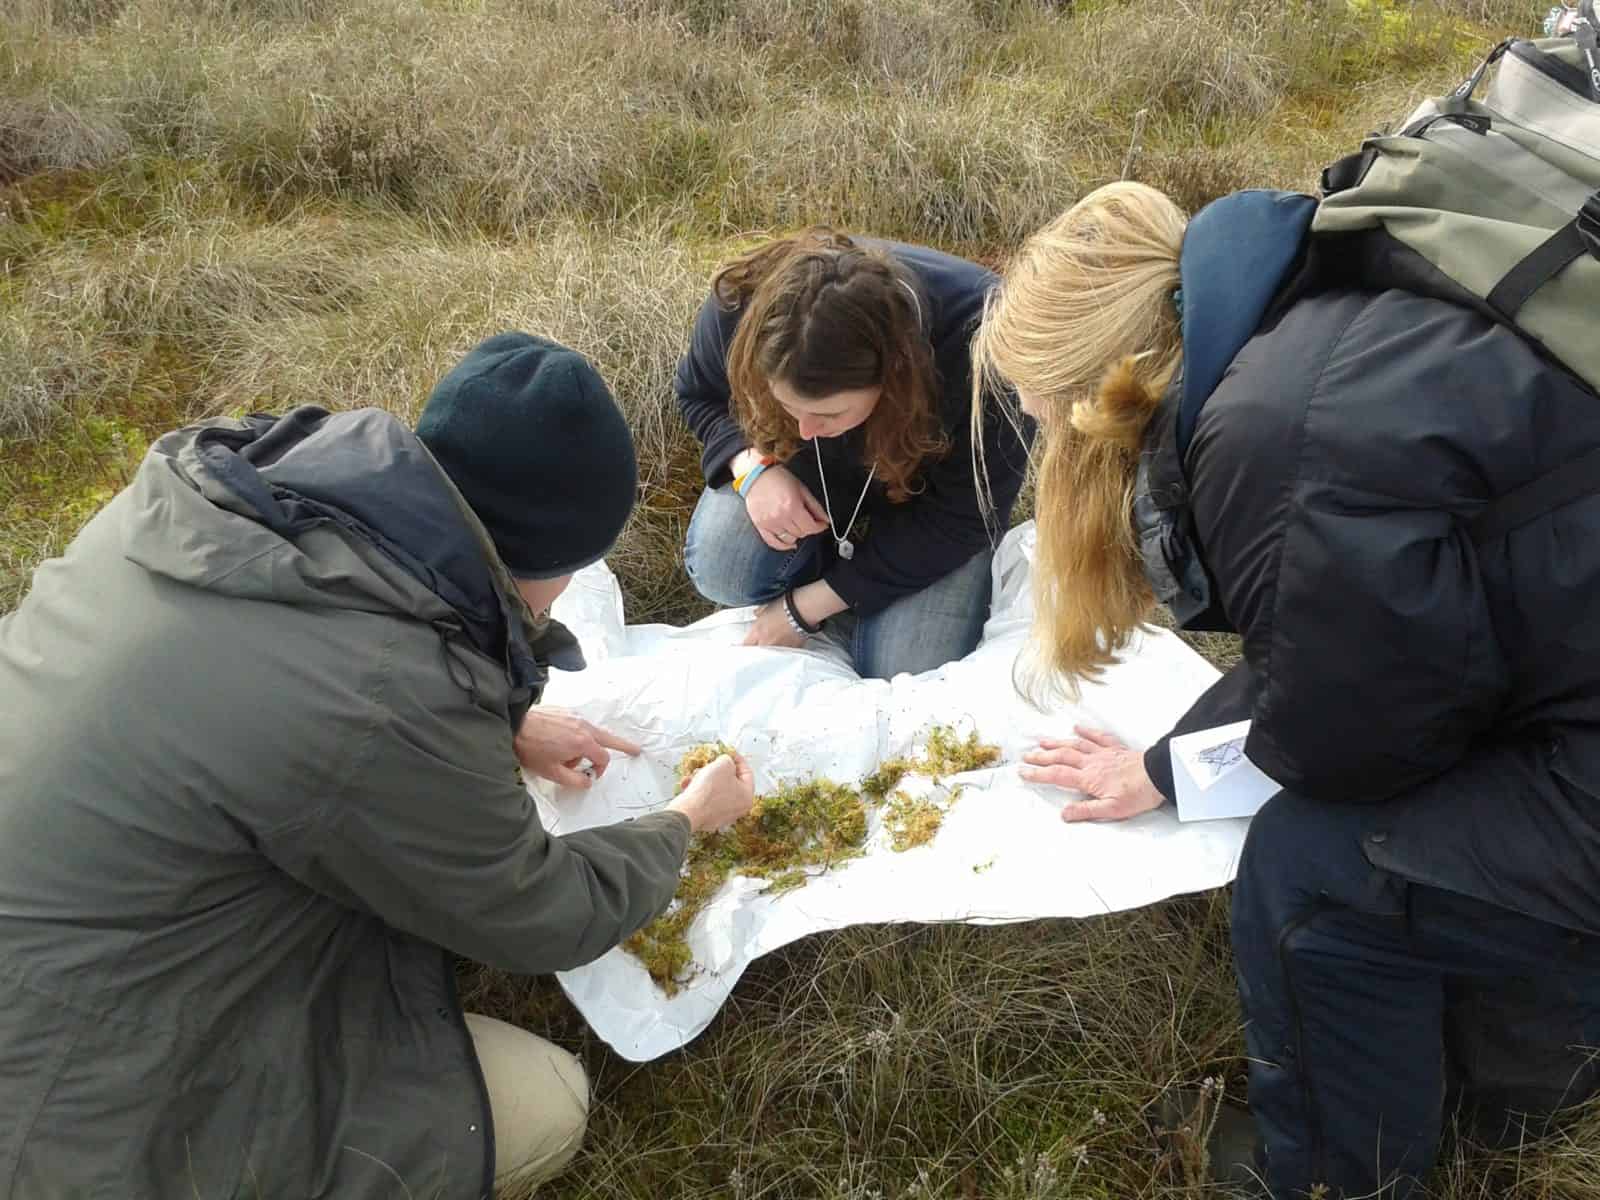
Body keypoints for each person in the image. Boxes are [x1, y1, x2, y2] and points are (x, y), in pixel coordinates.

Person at [0, 332, 755, 1199]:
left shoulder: (210, 499)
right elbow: (541, 912)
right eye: (573, 568)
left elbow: (285, 696)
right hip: (72, 1117)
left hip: (71, 943)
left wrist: (500, 723)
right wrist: (685, 820)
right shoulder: (383, 697)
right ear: (537, 560)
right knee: (546, 1102)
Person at [973, 182, 1600, 1197]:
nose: (1030, 425)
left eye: (1031, 401)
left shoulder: (1276, 438)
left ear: (1091, 388)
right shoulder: (1306, 321)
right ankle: (1528, 1088)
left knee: (1310, 875)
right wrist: (1172, 768)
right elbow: (1360, 623)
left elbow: (1352, 753)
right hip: (1573, 674)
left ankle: (1334, 1171)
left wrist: (1210, 770)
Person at [675, 228, 1033, 679]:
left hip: (929, 505)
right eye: (788, 406)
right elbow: (697, 394)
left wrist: (804, 607)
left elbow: (963, 518)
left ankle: (860, 572)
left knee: (906, 667)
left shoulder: (985, 347)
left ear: (895, 377)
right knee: (722, 564)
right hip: (808, 476)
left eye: (829, 413)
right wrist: (752, 469)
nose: (807, 429)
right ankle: (837, 554)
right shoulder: (743, 303)